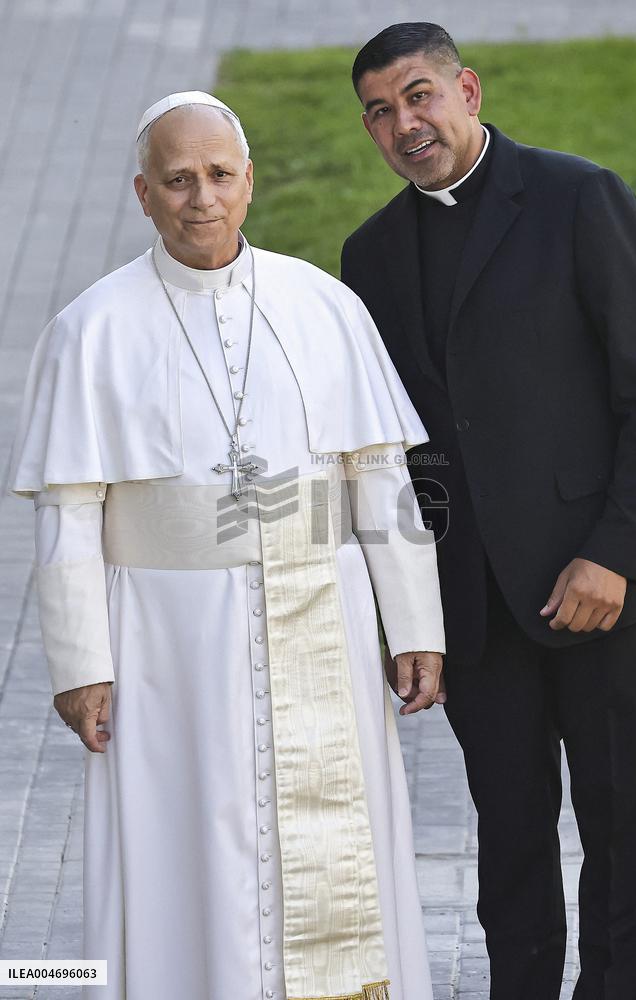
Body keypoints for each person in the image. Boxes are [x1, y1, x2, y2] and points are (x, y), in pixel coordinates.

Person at [8, 91, 447, 1000]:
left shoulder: (325, 306)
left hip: (322, 614)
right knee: (187, 838)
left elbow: (382, 483)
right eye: (177, 180)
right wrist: (80, 664)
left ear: (248, 181)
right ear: (142, 194)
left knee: (341, 842)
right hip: (171, 645)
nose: (200, 198)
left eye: (217, 175)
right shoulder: (89, 330)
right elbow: (68, 515)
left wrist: (416, 627)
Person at [341, 22, 636, 1000]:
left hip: (604, 594)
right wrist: (411, 617)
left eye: (419, 95)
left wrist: (616, 551)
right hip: (474, 612)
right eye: (380, 111)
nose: (405, 124)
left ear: (467, 88)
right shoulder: (373, 255)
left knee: (618, 833)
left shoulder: (580, 197)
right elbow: (390, 456)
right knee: (511, 839)